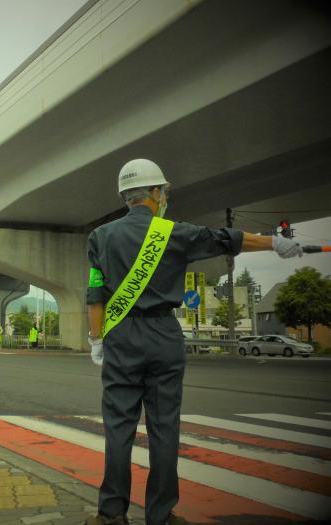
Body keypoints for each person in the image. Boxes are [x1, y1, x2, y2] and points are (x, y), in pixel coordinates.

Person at [84, 159, 305, 525]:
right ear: (155, 193)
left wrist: (97, 339)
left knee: (119, 427)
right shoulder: (175, 232)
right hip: (164, 336)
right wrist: (275, 243)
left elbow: (95, 295)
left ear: (126, 195)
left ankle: (111, 515)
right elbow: (225, 239)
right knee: (165, 427)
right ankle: (160, 516)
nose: (165, 196)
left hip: (121, 336)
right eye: (164, 191)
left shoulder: (101, 237)